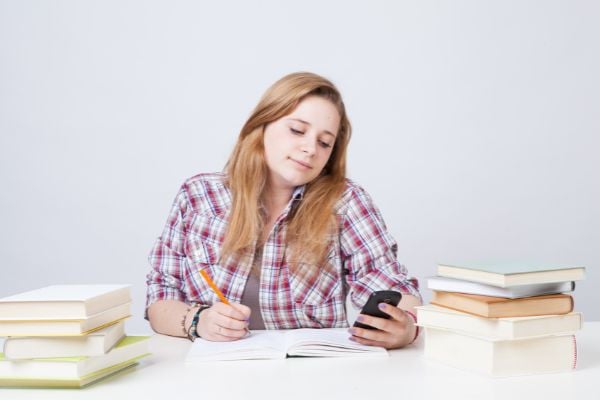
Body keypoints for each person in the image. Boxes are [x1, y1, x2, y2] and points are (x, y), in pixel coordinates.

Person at [145, 72, 422, 349]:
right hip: (215, 377)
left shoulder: (346, 202)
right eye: (297, 130)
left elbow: (391, 283)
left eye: (325, 143)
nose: (310, 148)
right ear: (262, 124)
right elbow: (160, 299)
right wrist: (198, 320)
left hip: (310, 378)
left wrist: (407, 326)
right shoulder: (199, 196)